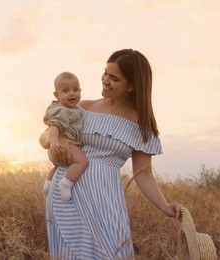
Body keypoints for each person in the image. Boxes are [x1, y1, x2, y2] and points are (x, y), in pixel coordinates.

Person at [39, 49, 181, 259]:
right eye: (105, 73)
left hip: (105, 199)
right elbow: (45, 136)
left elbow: (144, 173)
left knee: (113, 253)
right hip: (65, 195)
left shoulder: (141, 126)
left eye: (114, 78)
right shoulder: (82, 107)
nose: (105, 80)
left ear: (132, 86)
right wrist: (56, 143)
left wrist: (164, 206)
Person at [42, 72, 88, 201]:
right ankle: (65, 184)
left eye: (75, 89)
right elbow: (54, 127)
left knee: (57, 166)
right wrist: (54, 142)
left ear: (80, 90)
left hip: (57, 149)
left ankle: (48, 184)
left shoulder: (72, 109)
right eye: (65, 91)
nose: (72, 93)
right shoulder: (62, 110)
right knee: (82, 162)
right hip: (63, 145)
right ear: (56, 95)